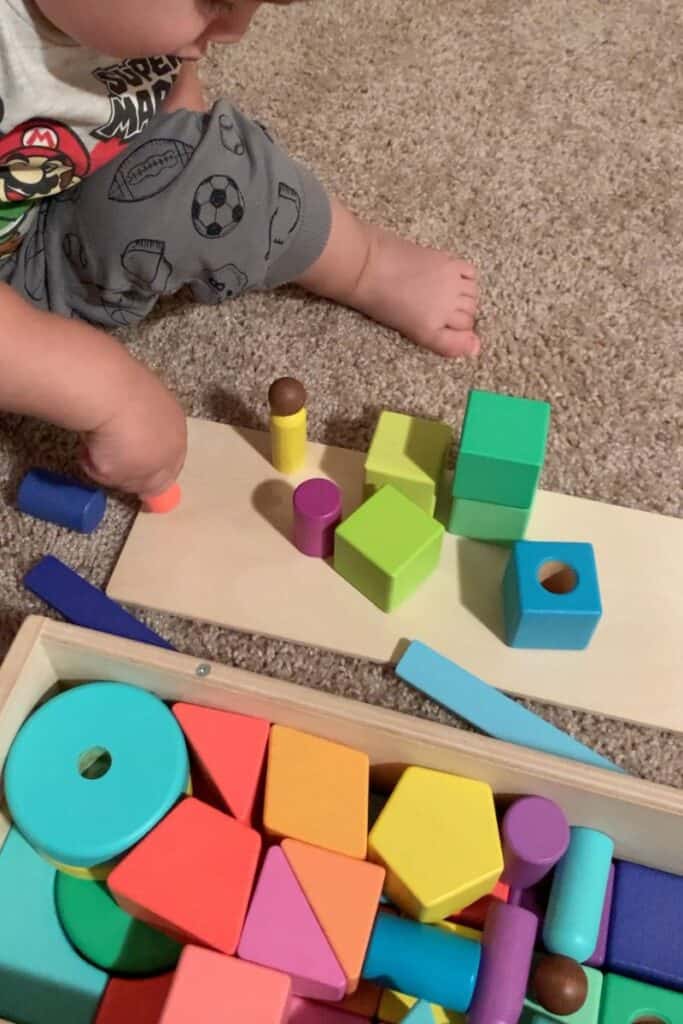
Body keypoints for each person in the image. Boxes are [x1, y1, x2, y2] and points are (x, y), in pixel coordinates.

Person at [0, 0, 480, 500]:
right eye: (214, 2)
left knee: (217, 174)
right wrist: (103, 388)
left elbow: (168, 76)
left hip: (54, 199)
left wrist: (189, 135)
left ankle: (365, 263)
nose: (237, 32)